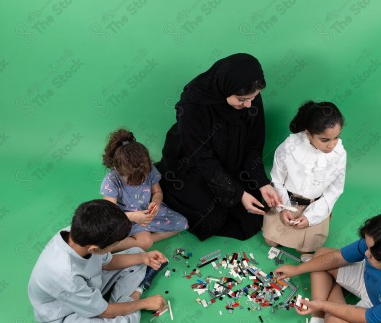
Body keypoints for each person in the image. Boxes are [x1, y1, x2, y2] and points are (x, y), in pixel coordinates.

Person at [156, 53, 281, 241]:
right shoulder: (191, 104)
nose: (248, 104)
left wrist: (262, 182)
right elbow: (202, 159)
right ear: (225, 89)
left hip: (233, 156)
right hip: (191, 161)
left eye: (253, 98)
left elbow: (253, 146)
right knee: (211, 216)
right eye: (241, 100)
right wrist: (238, 194)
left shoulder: (251, 97)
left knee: (251, 218)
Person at [28, 199, 169, 323]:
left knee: (137, 254)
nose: (116, 246)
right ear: (94, 249)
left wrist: (143, 258)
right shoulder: (66, 274)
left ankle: (128, 307)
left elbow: (107, 263)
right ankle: (133, 302)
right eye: (115, 244)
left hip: (91, 288)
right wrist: (144, 303)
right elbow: (105, 312)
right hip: (65, 315)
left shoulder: (78, 232)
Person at [262, 101, 346, 261]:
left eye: (336, 137)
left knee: (307, 250)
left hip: (315, 205)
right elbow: (277, 180)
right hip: (287, 202)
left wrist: (311, 217)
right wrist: (282, 209)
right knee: (270, 241)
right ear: (308, 134)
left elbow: (334, 190)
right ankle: (281, 222)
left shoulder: (339, 153)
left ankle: (313, 225)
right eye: (325, 140)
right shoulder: (290, 147)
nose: (332, 145)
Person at [100, 128, 188, 253]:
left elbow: (157, 192)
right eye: (132, 179)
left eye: (143, 177)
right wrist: (133, 216)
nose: (141, 182)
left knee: (182, 223)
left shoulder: (149, 169)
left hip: (146, 213)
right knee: (145, 242)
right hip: (124, 218)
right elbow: (111, 214)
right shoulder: (112, 180)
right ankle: (115, 245)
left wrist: (156, 202)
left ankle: (134, 240)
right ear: (118, 170)